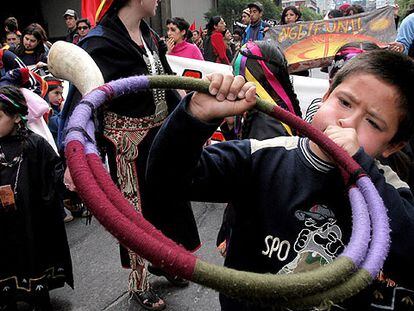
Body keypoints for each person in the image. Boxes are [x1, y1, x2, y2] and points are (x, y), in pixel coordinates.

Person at [147, 50, 414, 311]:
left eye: (374, 123)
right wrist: (194, 116)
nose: (347, 123)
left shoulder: (388, 190)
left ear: (393, 145)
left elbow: (406, 257)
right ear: (326, 95)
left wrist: (361, 167)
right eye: (344, 102)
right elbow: (166, 179)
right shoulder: (261, 156)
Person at [63, 0, 200, 310]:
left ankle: (164, 262)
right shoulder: (99, 42)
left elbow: (167, 83)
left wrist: (191, 124)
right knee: (134, 212)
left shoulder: (149, 37)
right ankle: (139, 283)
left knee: (167, 205)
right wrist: (76, 155)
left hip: (160, 136)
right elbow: (82, 99)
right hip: (126, 143)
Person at [0, 85, 73, 310]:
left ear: (15, 116)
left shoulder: (35, 145)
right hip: (3, 222)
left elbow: (55, 174)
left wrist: (69, 180)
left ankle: (37, 294)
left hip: (31, 221)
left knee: (31, 254)